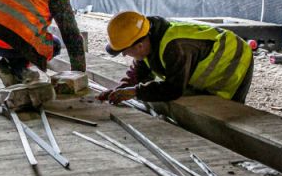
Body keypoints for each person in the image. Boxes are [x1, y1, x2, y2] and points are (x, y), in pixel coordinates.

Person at [98, 11, 254, 110]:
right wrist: (120, 90)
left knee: (230, 113)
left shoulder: (175, 47)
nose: (125, 55)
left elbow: (173, 89)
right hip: (213, 56)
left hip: (235, 59)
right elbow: (139, 73)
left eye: (125, 51)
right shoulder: (147, 41)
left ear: (139, 46)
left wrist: (135, 92)